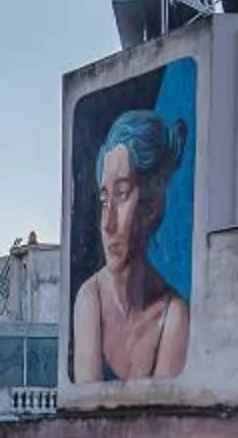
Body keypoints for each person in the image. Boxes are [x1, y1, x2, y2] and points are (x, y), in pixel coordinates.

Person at [71, 108, 190, 382]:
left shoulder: (174, 317)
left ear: (151, 202)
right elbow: (89, 418)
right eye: (104, 201)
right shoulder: (91, 299)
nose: (108, 223)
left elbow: (159, 422)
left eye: (122, 195)